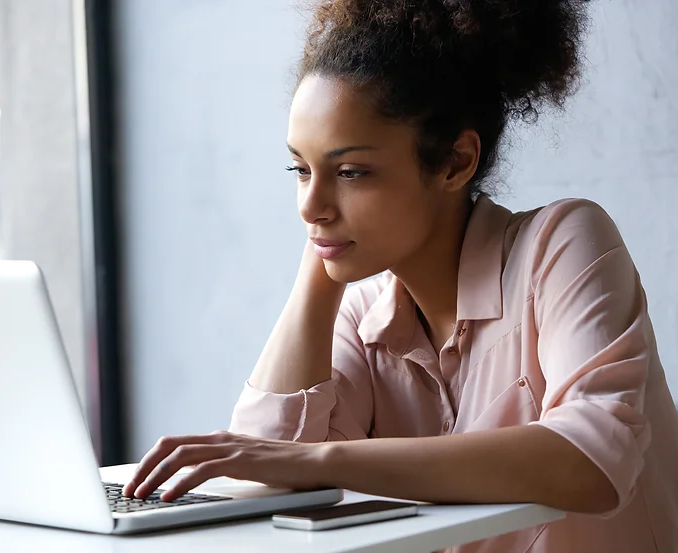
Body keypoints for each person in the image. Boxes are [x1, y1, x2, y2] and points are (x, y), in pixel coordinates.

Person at [123, 1, 678, 550]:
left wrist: (324, 461)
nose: (309, 204)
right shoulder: (360, 315)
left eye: (350, 172)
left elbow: (593, 462)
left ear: (456, 162)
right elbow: (260, 477)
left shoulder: (562, 243)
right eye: (300, 169)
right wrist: (321, 266)